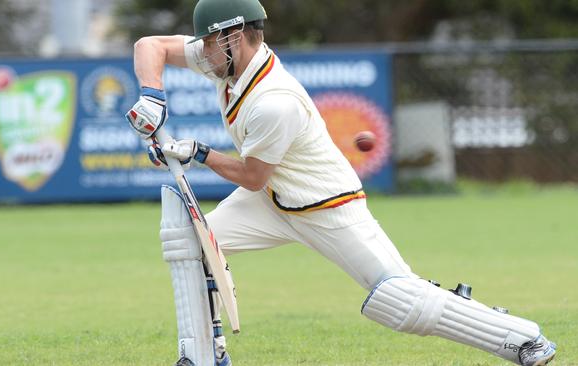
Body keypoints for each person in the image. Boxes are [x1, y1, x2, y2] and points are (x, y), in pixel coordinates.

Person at [125, 0, 557, 365]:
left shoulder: (275, 102)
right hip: (275, 201)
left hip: (326, 205)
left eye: (206, 41)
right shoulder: (226, 58)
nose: (200, 51)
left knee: (399, 299)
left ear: (231, 37)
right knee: (190, 241)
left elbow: (252, 176)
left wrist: (196, 152)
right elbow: (151, 45)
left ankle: (520, 337)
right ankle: (202, 354)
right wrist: (152, 97)